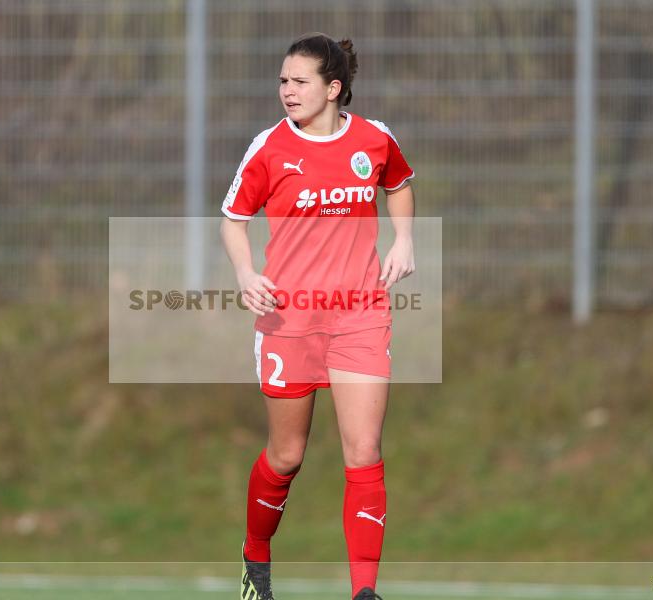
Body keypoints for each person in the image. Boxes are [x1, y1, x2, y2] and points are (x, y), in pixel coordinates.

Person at [219, 32, 415, 600]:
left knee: (364, 452)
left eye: (300, 81)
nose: (287, 90)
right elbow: (233, 218)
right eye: (283, 80)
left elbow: (399, 184)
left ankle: (364, 591)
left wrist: (404, 239)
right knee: (288, 456)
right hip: (290, 320)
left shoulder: (374, 140)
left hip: (359, 314)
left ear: (334, 88)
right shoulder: (269, 148)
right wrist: (246, 275)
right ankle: (255, 557)